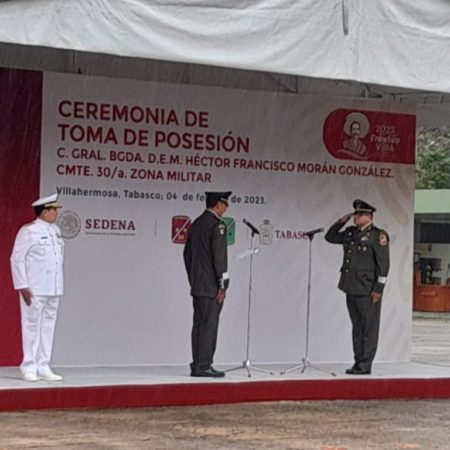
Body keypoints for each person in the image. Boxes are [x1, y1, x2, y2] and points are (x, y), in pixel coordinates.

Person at [325, 199, 389, 375]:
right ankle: (357, 361)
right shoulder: (351, 232)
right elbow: (329, 237)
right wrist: (341, 221)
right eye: (355, 214)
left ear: (369, 216)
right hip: (350, 286)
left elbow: (383, 265)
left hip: (368, 289)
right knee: (357, 327)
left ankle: (365, 364)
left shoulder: (378, 235)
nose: (356, 217)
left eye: (359, 214)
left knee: (369, 327)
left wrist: (378, 289)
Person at [10, 193, 65, 382]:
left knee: (48, 326)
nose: (55, 213)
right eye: (53, 210)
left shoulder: (55, 230)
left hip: (54, 287)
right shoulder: (29, 231)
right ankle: (29, 366)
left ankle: (43, 365)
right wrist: (22, 285)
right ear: (44, 211)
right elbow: (17, 259)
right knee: (31, 326)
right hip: (35, 287)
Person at [183, 191, 231, 377]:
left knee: (198, 325)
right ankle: (204, 365)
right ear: (218, 205)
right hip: (211, 285)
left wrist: (194, 278)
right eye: (224, 204)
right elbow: (220, 258)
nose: (226, 208)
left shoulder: (196, 224)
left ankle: (196, 364)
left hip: (198, 284)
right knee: (209, 325)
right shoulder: (217, 225)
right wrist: (223, 285)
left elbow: (187, 256)